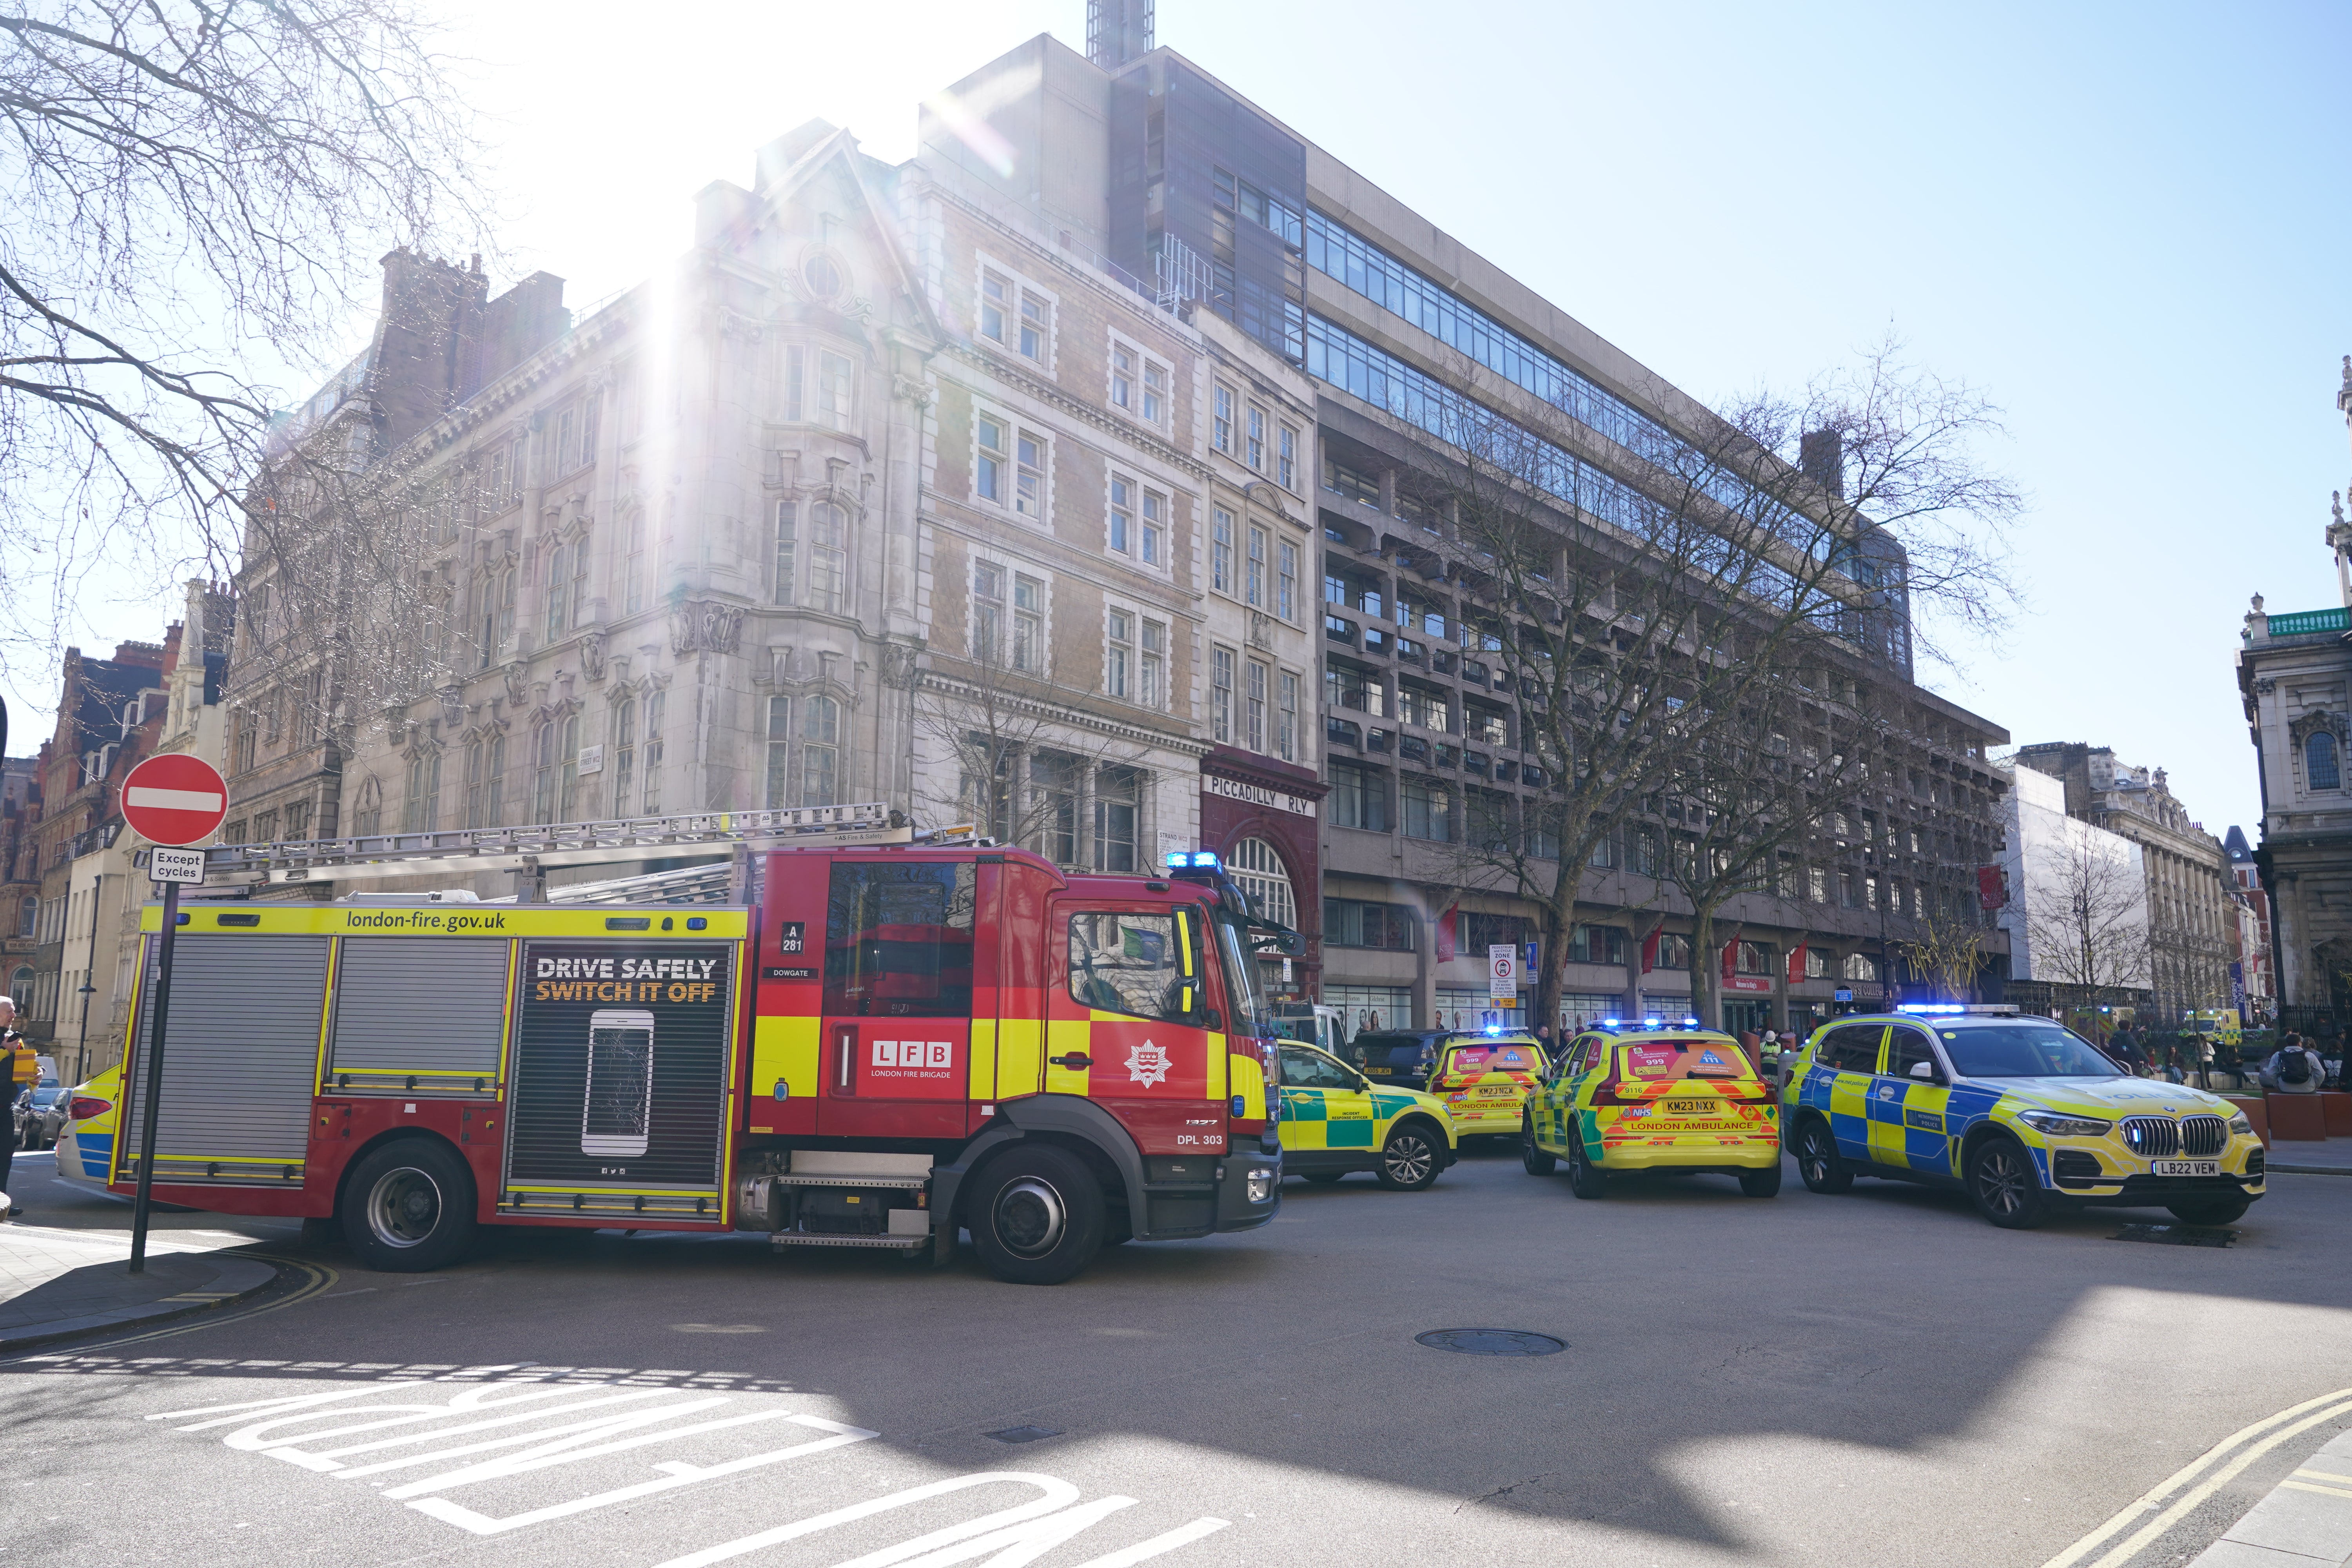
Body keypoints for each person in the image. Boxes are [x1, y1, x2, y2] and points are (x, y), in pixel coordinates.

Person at [0, 997, 33, 1217]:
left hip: (4, 1107)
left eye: (14, 1012)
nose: (14, 1015)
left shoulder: (16, 1040)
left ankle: (2, 1203)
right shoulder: (7, 1043)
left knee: (5, 1154)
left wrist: (36, 1075)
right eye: (9, 1012)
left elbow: (26, 1069)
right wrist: (3, 1050)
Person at [2259, 1033, 2325, 1094]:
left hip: (2285, 1088)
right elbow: (2321, 1073)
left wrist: (2278, 1085)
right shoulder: (2309, 1056)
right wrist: (2316, 1085)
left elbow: (2270, 1073)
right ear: (2300, 1043)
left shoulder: (2278, 1055)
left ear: (2287, 1043)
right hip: (2308, 1088)